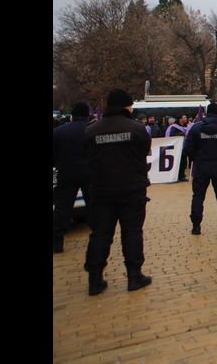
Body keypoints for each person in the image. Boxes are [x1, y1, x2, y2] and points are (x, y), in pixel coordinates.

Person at [82, 89, 153, 295]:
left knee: (100, 235)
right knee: (132, 232)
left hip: (101, 189)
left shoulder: (92, 130)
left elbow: (87, 153)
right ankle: (134, 276)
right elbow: (143, 151)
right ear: (125, 106)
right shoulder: (136, 129)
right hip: (132, 188)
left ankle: (95, 279)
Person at [184, 103, 217, 235]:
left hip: (201, 166)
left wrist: (197, 158)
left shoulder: (196, 127)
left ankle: (196, 226)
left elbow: (188, 149)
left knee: (198, 197)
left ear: (206, 113)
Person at [53, 102, 92, 254]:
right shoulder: (91, 130)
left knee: (63, 206)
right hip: (90, 172)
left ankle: (57, 240)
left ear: (72, 115)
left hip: (66, 172)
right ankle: (98, 235)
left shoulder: (58, 131)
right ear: (87, 115)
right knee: (93, 204)